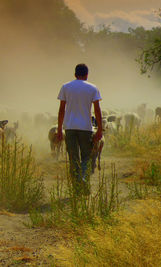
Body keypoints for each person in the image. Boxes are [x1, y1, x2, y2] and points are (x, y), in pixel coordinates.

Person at [57, 64, 102, 194]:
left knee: (73, 157)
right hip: (85, 128)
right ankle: (83, 180)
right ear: (87, 74)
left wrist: (60, 129)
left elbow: (61, 110)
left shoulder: (66, 87)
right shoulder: (93, 88)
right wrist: (99, 129)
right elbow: (97, 110)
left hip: (70, 127)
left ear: (75, 74)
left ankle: (77, 188)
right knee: (87, 156)